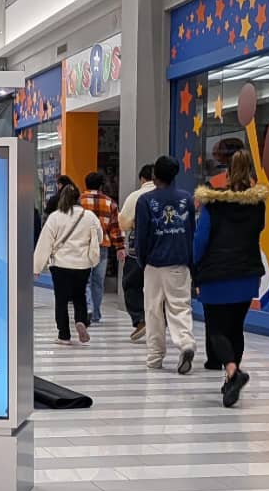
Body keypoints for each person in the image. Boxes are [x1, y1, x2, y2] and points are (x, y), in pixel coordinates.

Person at [194, 151, 269, 407]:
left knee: (216, 329)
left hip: (216, 274)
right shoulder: (258, 204)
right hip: (247, 274)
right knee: (236, 328)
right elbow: (259, 230)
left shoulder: (213, 205)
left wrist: (195, 264)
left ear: (226, 172)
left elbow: (201, 239)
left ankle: (233, 371)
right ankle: (230, 381)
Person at [135, 156, 196, 373]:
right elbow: (191, 231)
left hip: (154, 263)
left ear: (154, 176)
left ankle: (155, 356)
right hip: (179, 262)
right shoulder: (186, 198)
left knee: (153, 310)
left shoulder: (144, 200)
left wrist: (142, 260)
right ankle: (186, 343)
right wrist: (191, 262)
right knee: (179, 306)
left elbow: (142, 235)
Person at [33, 183, 102, 346]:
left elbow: (45, 242)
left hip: (60, 265)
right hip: (83, 264)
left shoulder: (55, 216)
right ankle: (81, 321)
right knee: (80, 296)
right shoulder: (89, 216)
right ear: (78, 198)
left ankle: (64, 334)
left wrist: (36, 267)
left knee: (61, 299)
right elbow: (99, 236)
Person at [80, 171, 125, 325]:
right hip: (102, 247)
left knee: (84, 280)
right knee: (98, 282)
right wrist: (120, 246)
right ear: (101, 185)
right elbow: (115, 227)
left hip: (82, 246)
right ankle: (96, 314)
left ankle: (87, 309)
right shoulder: (110, 203)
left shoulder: (79, 201)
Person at [119, 164, 156, 341]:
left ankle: (140, 318)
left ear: (142, 179)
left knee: (131, 283)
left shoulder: (135, 196)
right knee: (157, 287)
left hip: (137, 248)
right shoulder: (170, 195)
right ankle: (159, 322)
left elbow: (124, 223)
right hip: (163, 248)